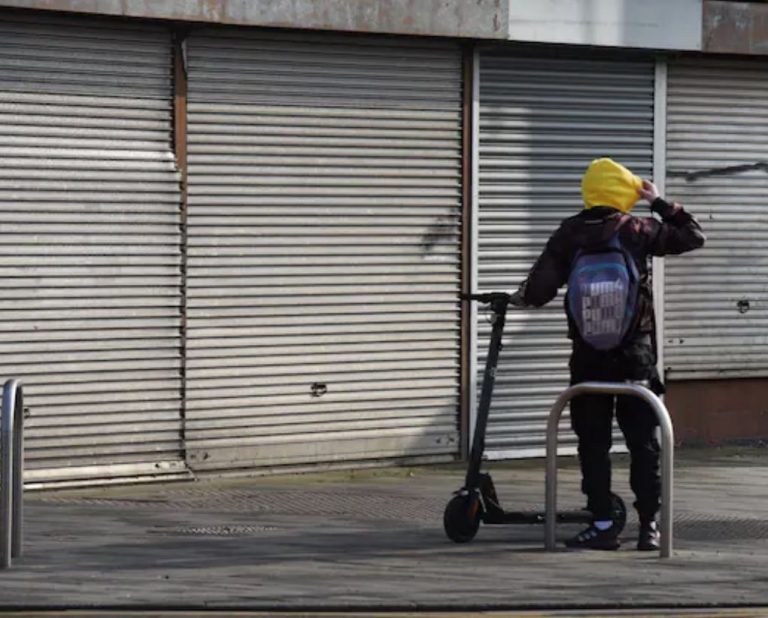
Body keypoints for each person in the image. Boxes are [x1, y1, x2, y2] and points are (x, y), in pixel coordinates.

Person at [509, 158, 705, 551]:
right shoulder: (637, 228)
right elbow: (693, 236)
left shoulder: (570, 232)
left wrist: (515, 299)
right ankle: (650, 526)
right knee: (642, 444)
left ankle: (601, 523)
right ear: (624, 193)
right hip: (634, 356)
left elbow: (539, 290)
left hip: (588, 358)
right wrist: (661, 202)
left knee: (592, 444)